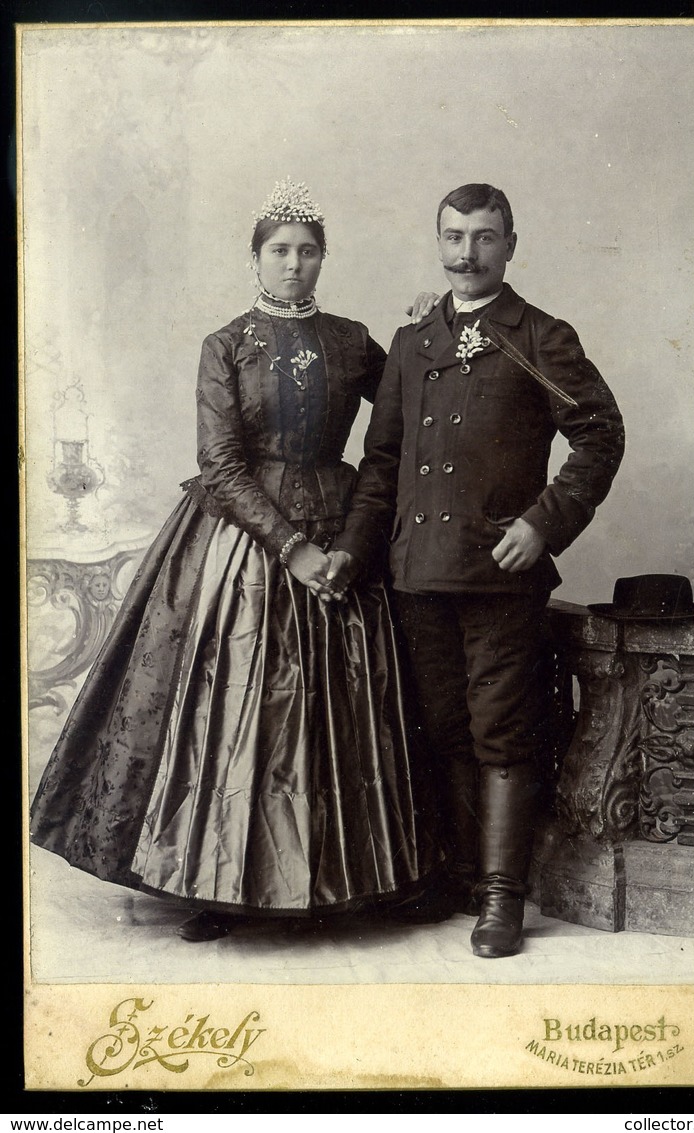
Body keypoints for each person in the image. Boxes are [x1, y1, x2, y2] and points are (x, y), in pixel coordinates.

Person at [29, 178, 437, 943]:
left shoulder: (353, 341)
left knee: (345, 706)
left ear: (324, 260)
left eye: (307, 252)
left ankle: (355, 873)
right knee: (239, 702)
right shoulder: (226, 344)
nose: (294, 265)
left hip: (346, 524)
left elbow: (406, 413)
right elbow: (219, 464)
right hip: (242, 542)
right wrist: (293, 547)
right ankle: (219, 880)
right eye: (279, 251)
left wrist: (427, 324)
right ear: (256, 259)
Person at [330, 182, 625, 959]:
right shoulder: (415, 340)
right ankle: (458, 875)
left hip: (499, 575)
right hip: (417, 574)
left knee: (501, 732)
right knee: (443, 728)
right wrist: (352, 554)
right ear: (438, 244)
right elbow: (383, 462)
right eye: (455, 237)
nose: (468, 252)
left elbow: (599, 434)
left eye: (485, 237)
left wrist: (544, 521)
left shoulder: (540, 337)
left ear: (511, 244)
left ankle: (502, 896)